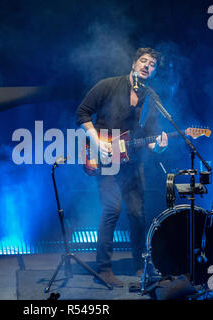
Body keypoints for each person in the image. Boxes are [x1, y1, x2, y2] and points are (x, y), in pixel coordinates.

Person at [76, 47, 168, 287]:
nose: (147, 66)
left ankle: (140, 265)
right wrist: (97, 142)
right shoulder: (108, 85)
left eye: (152, 64)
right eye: (144, 61)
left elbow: (150, 140)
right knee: (112, 210)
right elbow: (83, 113)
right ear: (134, 63)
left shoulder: (152, 99)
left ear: (155, 72)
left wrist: (159, 146)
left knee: (138, 214)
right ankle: (104, 268)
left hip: (132, 163)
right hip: (103, 156)